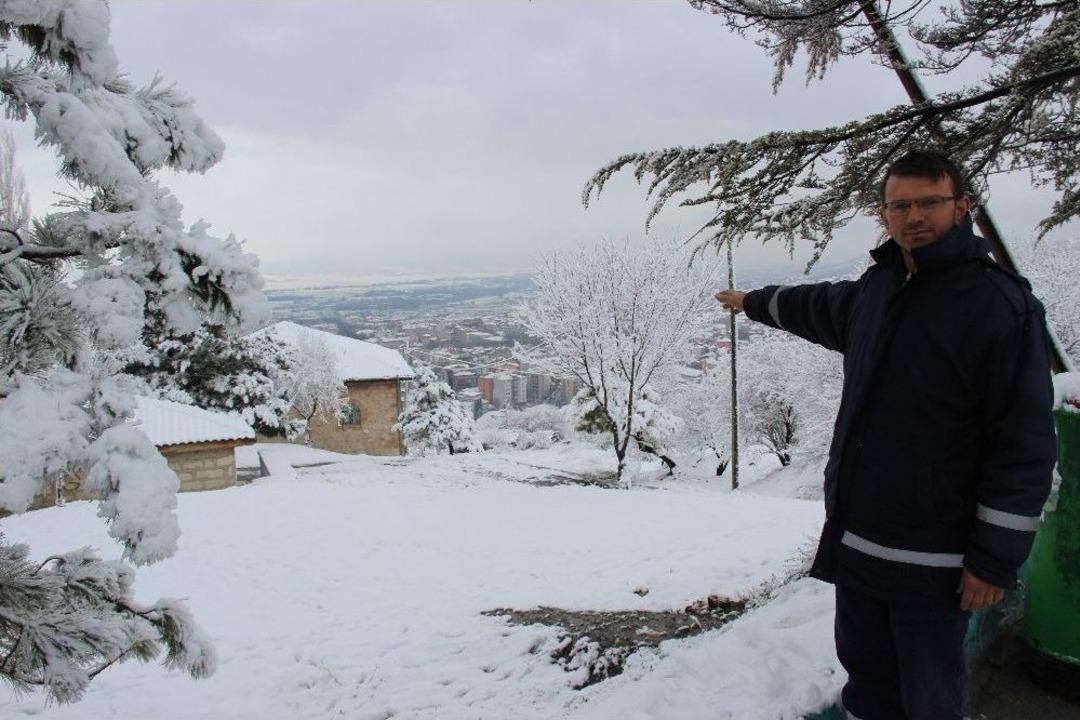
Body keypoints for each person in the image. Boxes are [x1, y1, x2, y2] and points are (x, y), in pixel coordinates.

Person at [716, 150, 1055, 720]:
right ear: (884, 215)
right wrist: (752, 302)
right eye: (900, 206)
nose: (914, 216)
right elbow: (817, 305)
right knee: (868, 682)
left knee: (929, 695)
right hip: (861, 544)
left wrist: (994, 560)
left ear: (962, 207)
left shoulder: (999, 306)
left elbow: (1023, 443)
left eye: (929, 202)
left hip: (937, 561)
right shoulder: (880, 289)